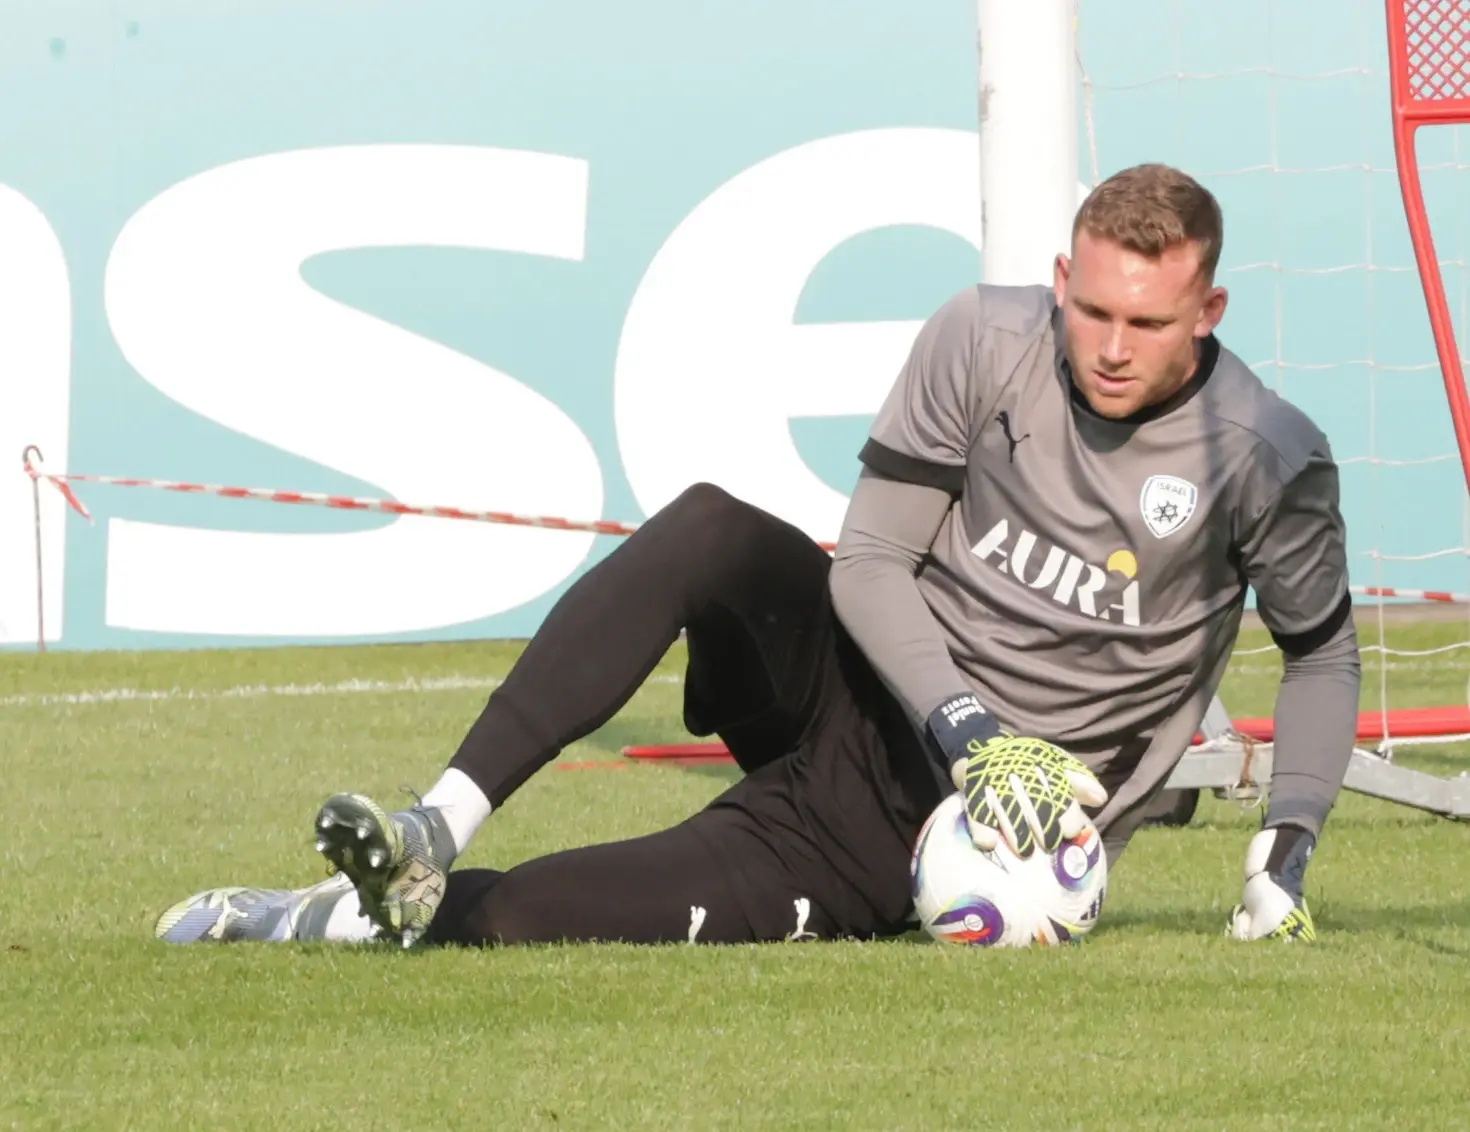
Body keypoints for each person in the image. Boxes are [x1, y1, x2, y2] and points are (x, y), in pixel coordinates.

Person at [155, 162, 1360, 949]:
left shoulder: (1267, 456)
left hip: (923, 832)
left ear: (1208, 313)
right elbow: (870, 559)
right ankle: (437, 823)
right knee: (709, 526)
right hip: (871, 694)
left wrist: (1287, 848)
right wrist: (966, 723)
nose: (1109, 346)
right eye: (1090, 310)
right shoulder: (983, 339)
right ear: (1060, 281)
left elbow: (1320, 654)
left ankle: (317, 919)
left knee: (530, 917)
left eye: (1147, 322)